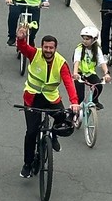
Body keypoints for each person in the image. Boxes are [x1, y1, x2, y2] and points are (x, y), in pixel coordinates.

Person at [16, 27, 79, 178]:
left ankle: (54, 136)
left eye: (51, 48)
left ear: (55, 48)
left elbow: (69, 83)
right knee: (31, 132)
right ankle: (27, 164)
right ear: (42, 47)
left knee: (63, 119)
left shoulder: (61, 63)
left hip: (51, 98)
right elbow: (23, 48)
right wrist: (20, 38)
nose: (48, 50)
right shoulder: (34, 54)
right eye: (46, 47)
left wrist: (74, 102)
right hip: (32, 98)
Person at [73, 25, 110, 110]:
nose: (85, 41)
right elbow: (76, 61)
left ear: (94, 39)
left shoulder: (97, 49)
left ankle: (94, 101)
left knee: (98, 86)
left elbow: (102, 62)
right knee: (80, 97)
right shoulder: (79, 49)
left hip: (90, 73)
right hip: (79, 74)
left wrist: (106, 73)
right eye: (84, 38)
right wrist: (75, 73)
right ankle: (73, 115)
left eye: (87, 39)